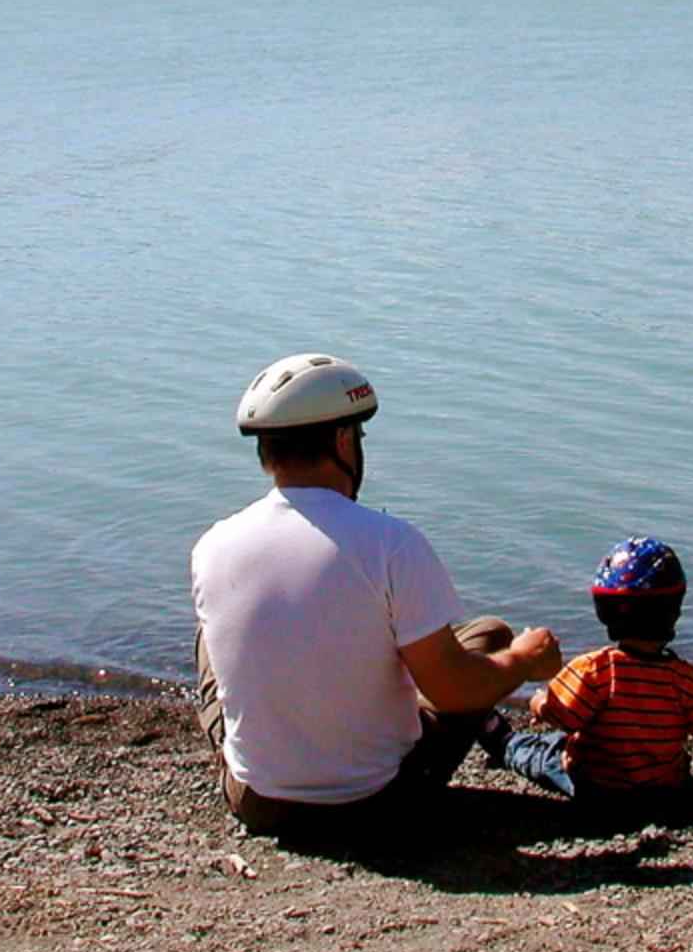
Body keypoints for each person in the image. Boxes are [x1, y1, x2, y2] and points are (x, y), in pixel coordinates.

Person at [191, 352, 563, 840]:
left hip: (258, 802)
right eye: (359, 437)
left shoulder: (213, 545)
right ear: (343, 440)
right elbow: (452, 691)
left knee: (212, 635)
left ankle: (274, 751)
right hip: (377, 803)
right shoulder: (391, 543)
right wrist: (522, 662)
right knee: (490, 638)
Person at [482, 536, 693, 806]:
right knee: (562, 741)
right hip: (663, 790)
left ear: (606, 612)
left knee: (543, 755)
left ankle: (503, 742)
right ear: (675, 610)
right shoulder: (685, 680)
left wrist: (538, 702)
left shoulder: (595, 670)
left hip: (597, 785)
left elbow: (564, 717)